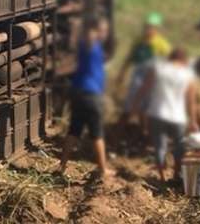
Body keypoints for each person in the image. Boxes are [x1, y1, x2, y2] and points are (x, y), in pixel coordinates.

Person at [129, 48, 200, 183]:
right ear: (183, 60)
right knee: (179, 147)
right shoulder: (188, 74)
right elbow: (191, 101)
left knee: (159, 147)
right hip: (178, 117)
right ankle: (176, 175)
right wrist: (193, 121)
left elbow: (144, 89)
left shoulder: (158, 69)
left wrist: (135, 106)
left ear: (170, 58)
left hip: (157, 114)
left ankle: (162, 177)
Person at [59, 17, 115, 178]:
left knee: (74, 131)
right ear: (95, 31)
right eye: (103, 31)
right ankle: (103, 169)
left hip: (78, 92)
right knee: (97, 133)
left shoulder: (89, 46)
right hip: (90, 95)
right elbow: (87, 35)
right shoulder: (91, 43)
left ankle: (62, 166)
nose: (105, 34)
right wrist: (93, 30)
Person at [116, 12, 172, 127]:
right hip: (137, 76)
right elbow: (129, 58)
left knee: (148, 105)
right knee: (132, 101)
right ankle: (124, 127)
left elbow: (171, 62)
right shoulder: (138, 41)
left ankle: (146, 131)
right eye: (147, 26)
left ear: (157, 28)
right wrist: (122, 73)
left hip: (153, 78)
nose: (148, 29)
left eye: (151, 27)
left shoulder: (161, 44)